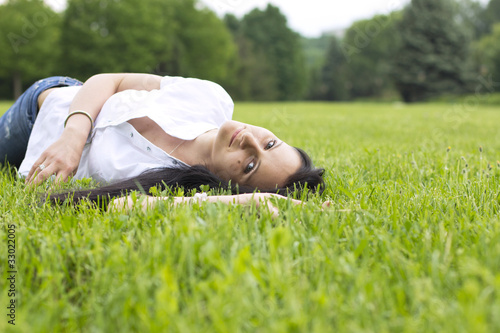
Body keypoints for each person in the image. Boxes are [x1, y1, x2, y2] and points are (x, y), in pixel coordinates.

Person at [0, 74, 325, 214]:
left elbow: (123, 207)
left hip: (33, 156)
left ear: (230, 188)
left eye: (250, 165)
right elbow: (108, 81)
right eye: (270, 144)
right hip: (45, 107)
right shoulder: (210, 97)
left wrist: (252, 203)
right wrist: (72, 137)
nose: (250, 140)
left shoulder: (174, 187)